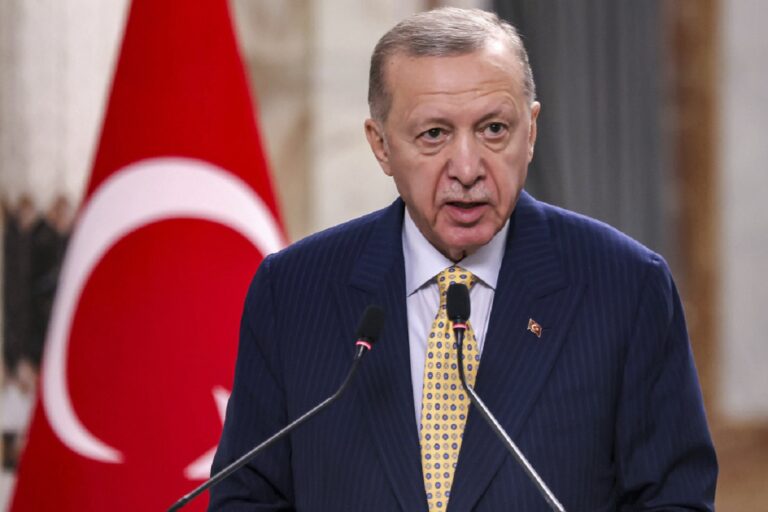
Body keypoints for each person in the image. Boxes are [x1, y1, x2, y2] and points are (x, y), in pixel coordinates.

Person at [210, 8, 717, 511]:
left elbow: (674, 501)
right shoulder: (294, 291)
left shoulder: (626, 288)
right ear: (381, 146)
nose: (469, 168)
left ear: (532, 130)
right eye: (434, 134)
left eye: (494, 129)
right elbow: (246, 499)